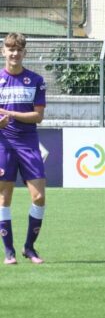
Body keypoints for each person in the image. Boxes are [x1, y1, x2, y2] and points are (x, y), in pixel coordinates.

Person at [0, 33, 48, 265]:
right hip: (3, 144)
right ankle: (8, 252)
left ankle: (29, 247)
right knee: (4, 198)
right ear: (3, 52)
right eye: (10, 49)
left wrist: (10, 114)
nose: (14, 53)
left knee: (39, 197)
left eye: (19, 49)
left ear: (24, 53)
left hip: (28, 144)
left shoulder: (36, 80)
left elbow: (38, 116)